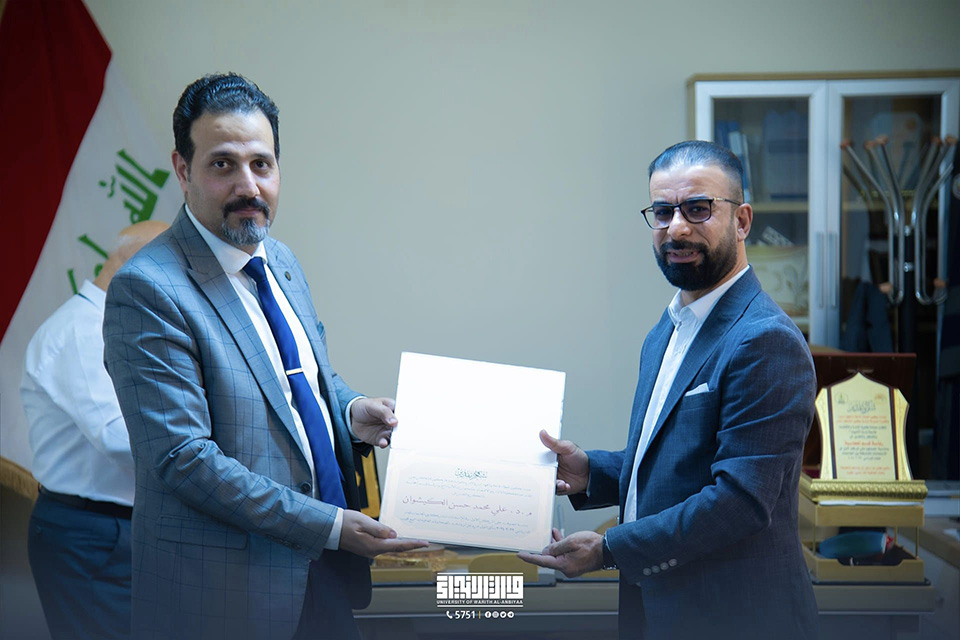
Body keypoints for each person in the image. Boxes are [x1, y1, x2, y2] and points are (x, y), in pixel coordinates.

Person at [101, 73, 426, 640]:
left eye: (261, 164)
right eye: (222, 164)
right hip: (225, 595)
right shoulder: (148, 289)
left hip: (324, 573)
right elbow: (184, 458)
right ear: (183, 169)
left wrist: (350, 411)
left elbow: (301, 382)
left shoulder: (280, 259)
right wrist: (329, 525)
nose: (247, 185)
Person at [519, 141, 819, 640]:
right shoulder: (669, 328)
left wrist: (609, 549)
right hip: (657, 609)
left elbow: (739, 502)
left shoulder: (765, 340)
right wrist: (591, 472)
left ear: (742, 221)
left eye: (698, 208)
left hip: (735, 619)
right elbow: (675, 460)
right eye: (662, 211)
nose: (676, 228)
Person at [22, 220, 169, 640]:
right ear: (138, 266)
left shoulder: (119, 326)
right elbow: (118, 438)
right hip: (92, 532)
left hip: (118, 528)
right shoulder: (82, 332)